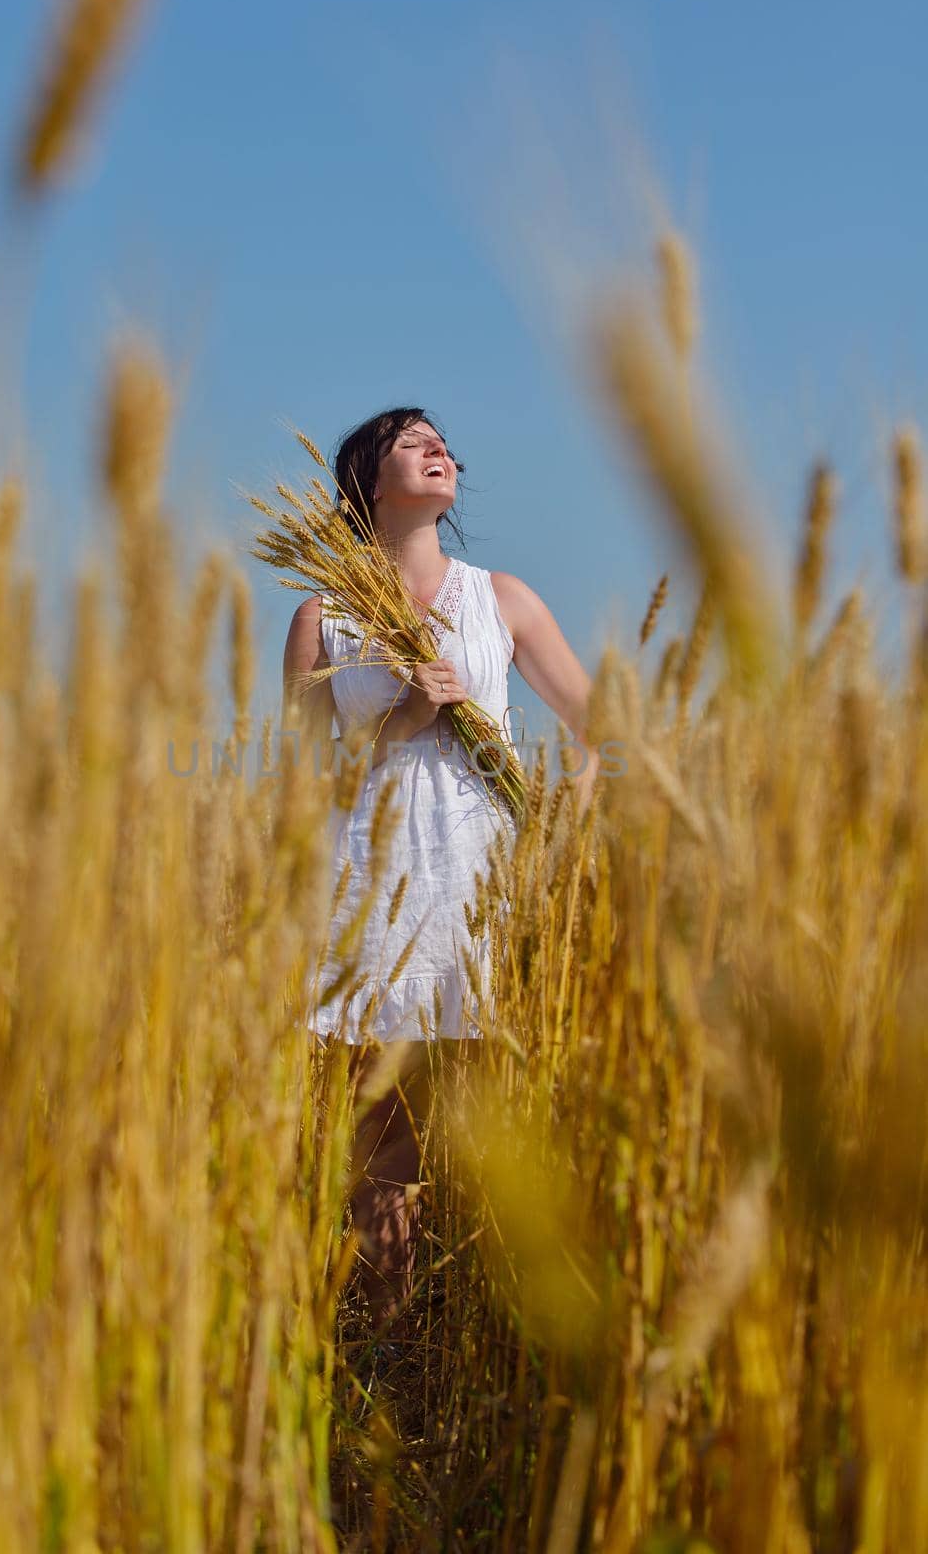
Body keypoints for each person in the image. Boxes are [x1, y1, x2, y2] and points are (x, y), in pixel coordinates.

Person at [281, 406, 599, 1347]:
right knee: (386, 1141)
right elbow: (304, 788)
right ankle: (398, 1351)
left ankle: (504, 1344)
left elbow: (601, 731)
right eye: (415, 441)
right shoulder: (322, 620)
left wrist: (558, 826)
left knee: (502, 1116)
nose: (441, 451)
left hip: (482, 884)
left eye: (446, 443)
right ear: (369, 481)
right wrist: (404, 724)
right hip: (375, 894)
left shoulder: (500, 599)